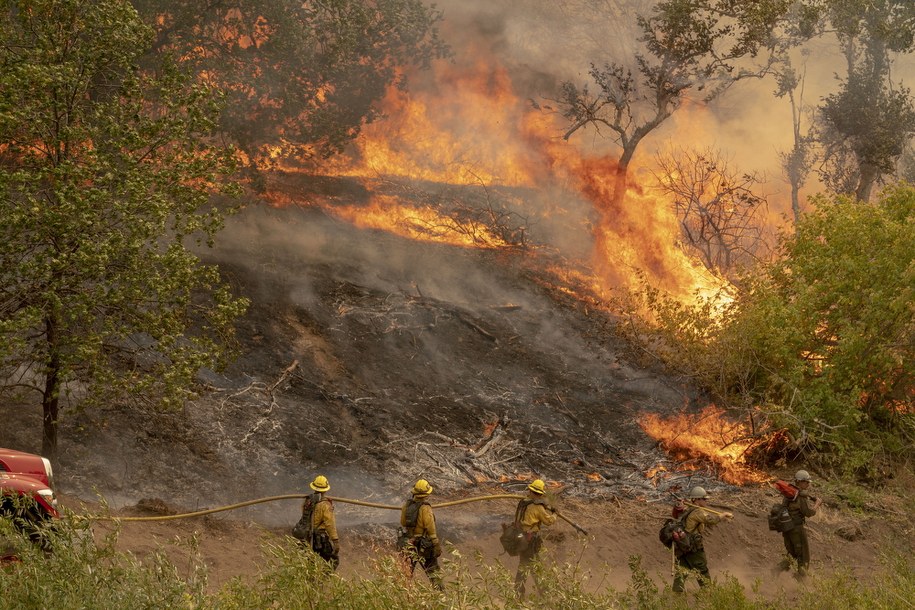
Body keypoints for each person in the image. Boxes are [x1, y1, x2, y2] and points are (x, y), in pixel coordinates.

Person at [672, 486, 733, 593]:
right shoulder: (697, 511)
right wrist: (723, 515)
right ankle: (708, 592)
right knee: (702, 569)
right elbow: (711, 520)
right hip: (693, 546)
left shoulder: (688, 509)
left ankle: (677, 593)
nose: (706, 501)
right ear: (696, 499)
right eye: (704, 499)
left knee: (683, 569)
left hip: (683, 545)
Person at [514, 478, 557, 599]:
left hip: (521, 539)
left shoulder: (523, 502)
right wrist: (555, 513)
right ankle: (543, 593)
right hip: (530, 541)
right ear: (539, 494)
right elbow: (549, 521)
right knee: (533, 567)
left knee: (526, 566)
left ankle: (520, 593)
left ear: (531, 491)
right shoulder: (538, 507)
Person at [399, 479, 443, 590]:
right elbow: (430, 528)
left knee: (406, 574)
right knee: (433, 573)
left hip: (408, 543)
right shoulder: (425, 508)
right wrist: (436, 544)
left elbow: (403, 522)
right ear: (426, 494)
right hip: (424, 546)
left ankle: (402, 597)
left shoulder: (406, 505)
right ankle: (440, 597)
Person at [777, 469, 822, 579]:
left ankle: (776, 570)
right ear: (800, 482)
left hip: (787, 528)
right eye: (806, 482)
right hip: (797, 529)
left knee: (792, 554)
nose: (808, 484)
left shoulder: (789, 494)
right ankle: (801, 581)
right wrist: (817, 504)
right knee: (803, 555)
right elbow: (808, 513)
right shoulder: (800, 496)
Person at [303, 475, 339, 570]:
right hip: (320, 540)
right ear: (326, 489)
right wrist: (335, 541)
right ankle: (321, 582)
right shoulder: (325, 505)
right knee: (332, 562)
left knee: (310, 565)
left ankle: (311, 581)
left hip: (308, 538)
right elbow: (330, 524)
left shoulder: (308, 501)